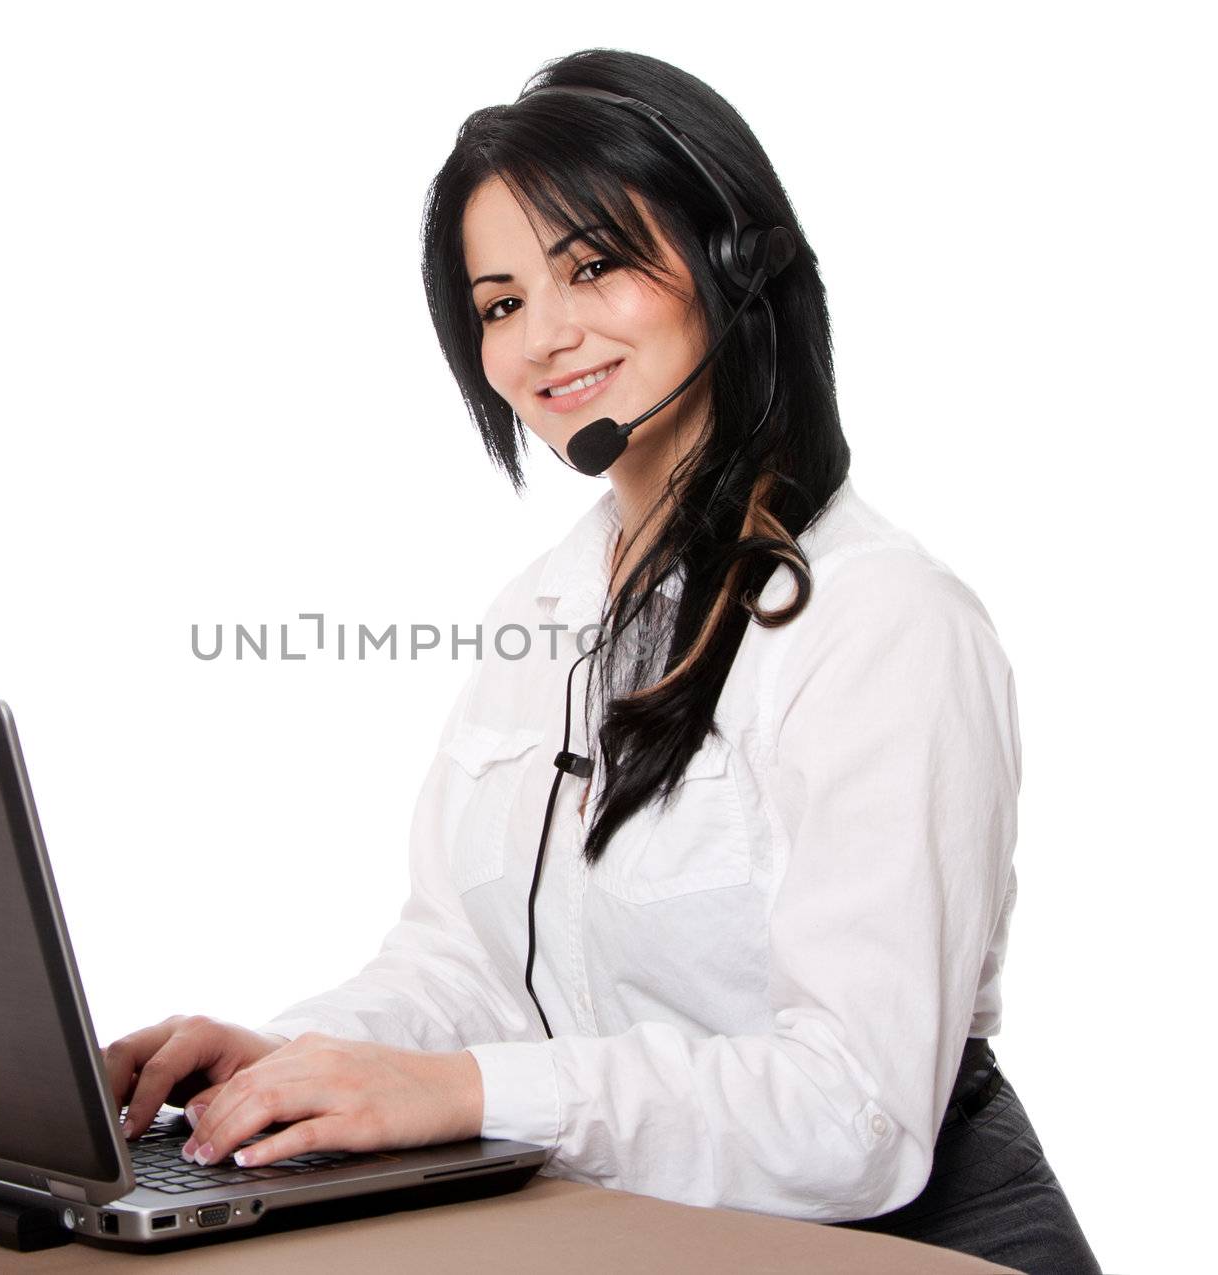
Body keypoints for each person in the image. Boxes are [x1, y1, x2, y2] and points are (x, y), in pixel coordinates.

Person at [104, 48, 1100, 1274]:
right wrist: (296, 1062)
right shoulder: (549, 606)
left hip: (910, 1245)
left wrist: (469, 1093)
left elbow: (857, 1116)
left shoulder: (885, 623)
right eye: (501, 302)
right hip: (648, 1235)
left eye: (593, 266)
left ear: (735, 264)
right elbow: (461, 960)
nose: (544, 338)